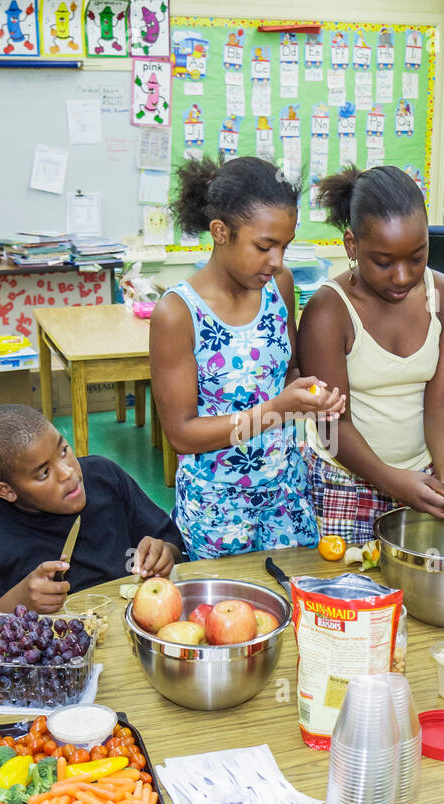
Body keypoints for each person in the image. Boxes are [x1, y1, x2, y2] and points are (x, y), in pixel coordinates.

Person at [150, 156, 345, 559]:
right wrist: (276, 409)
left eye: (285, 246)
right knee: (226, 611)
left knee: (294, 603)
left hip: (287, 492)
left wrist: (309, 394)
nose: (277, 261)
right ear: (220, 232)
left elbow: (287, 370)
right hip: (219, 507)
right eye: (264, 246)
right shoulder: (178, 313)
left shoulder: (279, 287)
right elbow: (182, 433)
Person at [297, 165, 444, 544]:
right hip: (343, 483)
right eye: (384, 262)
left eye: (417, 257)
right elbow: (331, 424)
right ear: (352, 246)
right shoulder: (328, 312)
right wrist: (391, 481)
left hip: (423, 476)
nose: (402, 276)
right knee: (346, 595)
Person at [0, 405, 185, 615]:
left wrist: (164, 555)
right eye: (44, 473)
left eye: (64, 450)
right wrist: (15, 605)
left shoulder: (105, 479)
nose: (68, 473)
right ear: (6, 491)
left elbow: (172, 547)